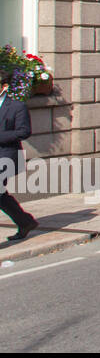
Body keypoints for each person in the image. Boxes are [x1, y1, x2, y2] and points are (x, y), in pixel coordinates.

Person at [0, 76, 37, 241]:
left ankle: (25, 222)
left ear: (4, 87)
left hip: (7, 155)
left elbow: (24, 131)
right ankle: (25, 221)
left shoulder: (17, 106)